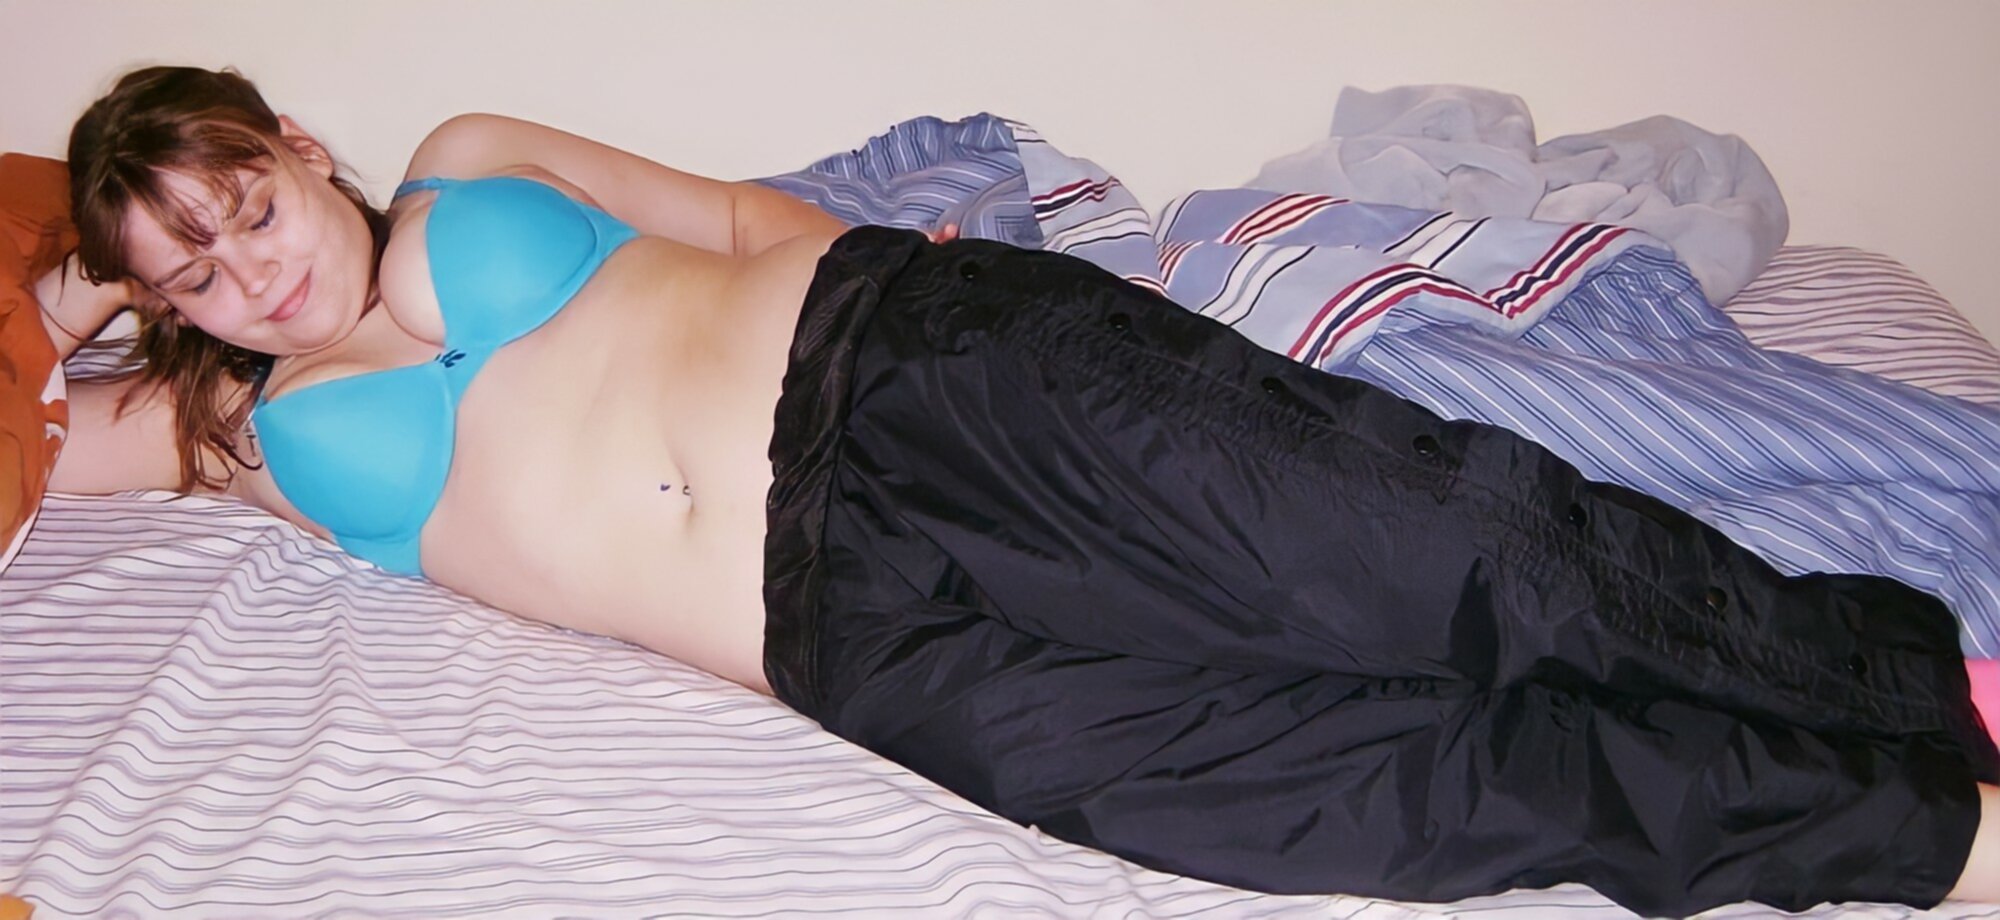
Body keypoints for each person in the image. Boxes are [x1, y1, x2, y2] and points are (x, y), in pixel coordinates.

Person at [34, 65, 2000, 916]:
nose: (245, 276)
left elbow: (741, 218)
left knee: (1439, 552)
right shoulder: (240, 439)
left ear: (299, 146)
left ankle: (1924, 688)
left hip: (909, 376)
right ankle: (1925, 835)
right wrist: (59, 289)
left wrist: (953, 318)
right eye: (186, 272)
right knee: (1334, 795)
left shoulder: (469, 160)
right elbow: (24, 438)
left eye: (244, 207)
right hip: (848, 637)